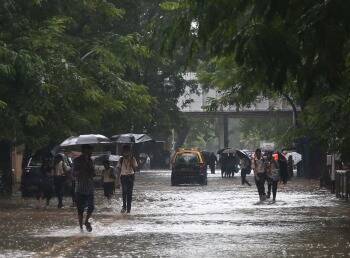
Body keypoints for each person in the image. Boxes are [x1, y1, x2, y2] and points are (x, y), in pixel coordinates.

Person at [73, 145, 95, 232]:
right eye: (90, 150)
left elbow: (93, 174)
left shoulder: (90, 161)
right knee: (80, 209)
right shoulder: (77, 161)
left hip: (89, 188)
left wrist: (90, 168)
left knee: (91, 207)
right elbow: (73, 174)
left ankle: (86, 222)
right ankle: (81, 228)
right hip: (80, 188)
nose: (91, 152)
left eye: (91, 150)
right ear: (84, 150)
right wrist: (82, 169)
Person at [117, 145, 138, 214]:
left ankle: (129, 209)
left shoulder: (133, 158)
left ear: (129, 152)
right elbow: (119, 170)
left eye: (127, 151)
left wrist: (131, 162)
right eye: (124, 151)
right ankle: (124, 206)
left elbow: (135, 169)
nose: (125, 153)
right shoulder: (121, 159)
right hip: (123, 177)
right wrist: (117, 181)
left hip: (130, 176)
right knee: (124, 191)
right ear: (123, 152)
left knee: (129, 193)